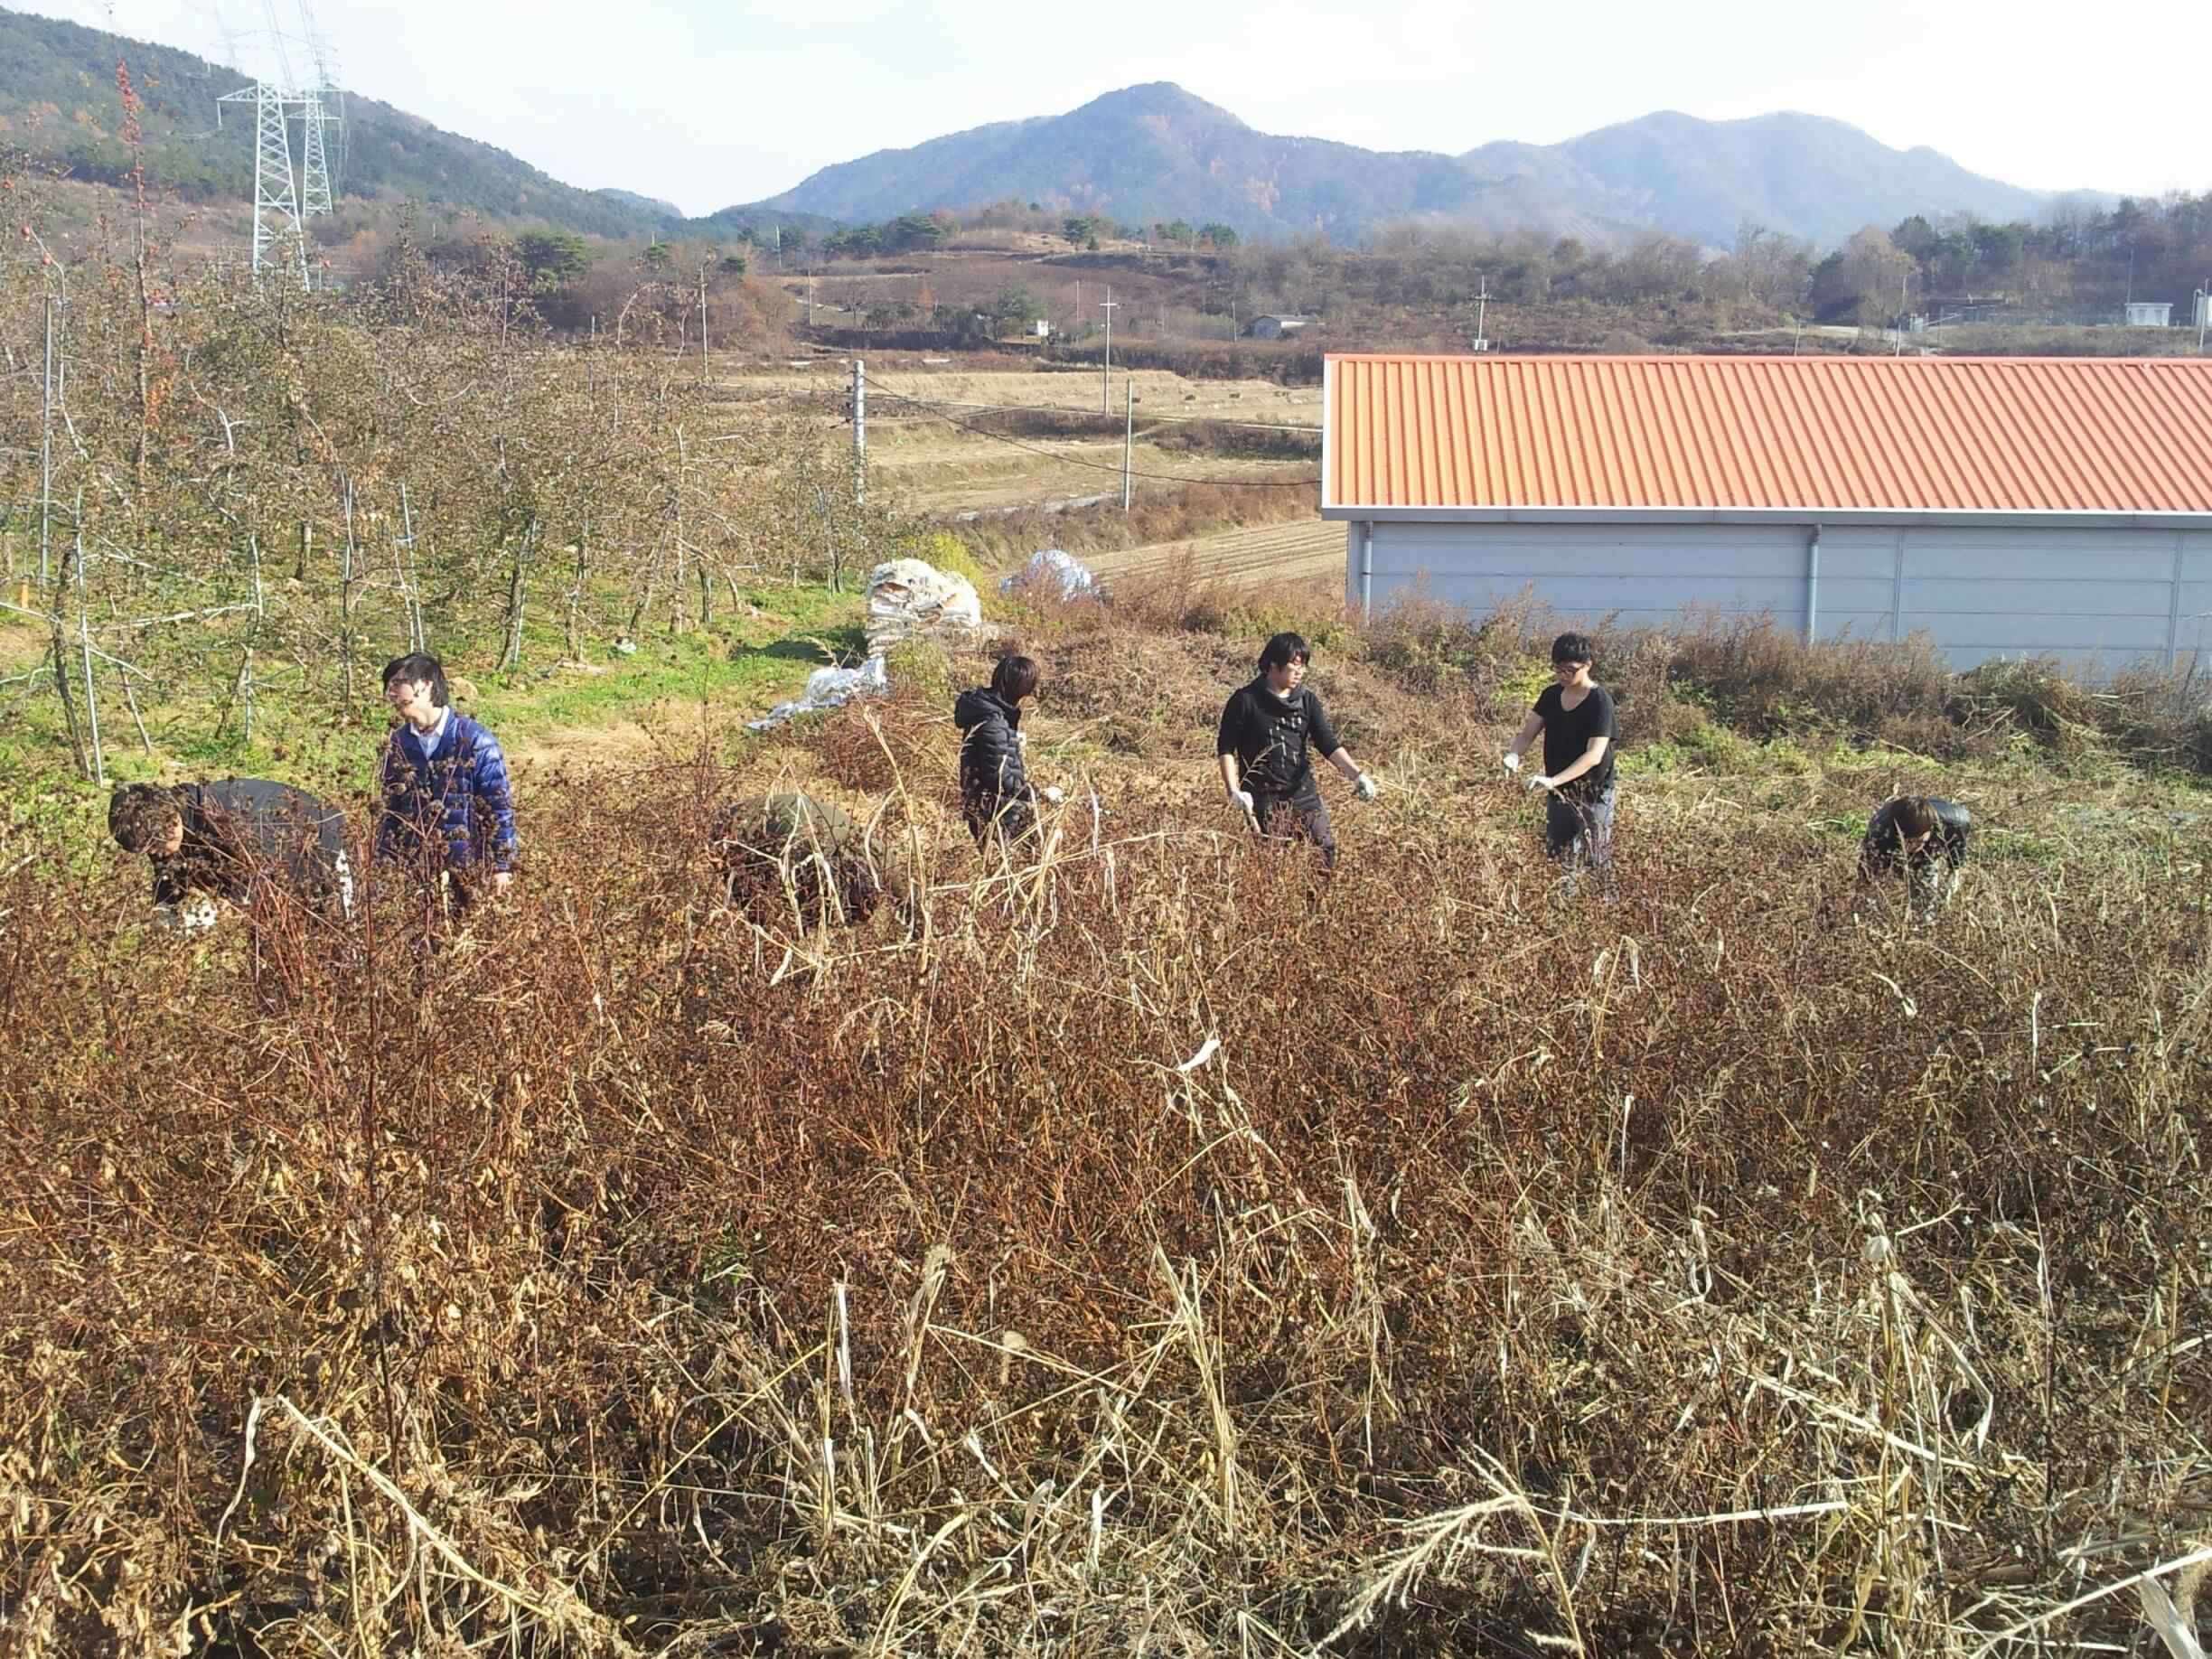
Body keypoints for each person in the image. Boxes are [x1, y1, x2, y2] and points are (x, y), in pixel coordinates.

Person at [108, 777, 353, 933]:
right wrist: (163, 910)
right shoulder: (158, 823)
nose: (158, 853)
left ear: (172, 816)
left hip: (321, 846)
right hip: (269, 869)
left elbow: (262, 889)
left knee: (337, 935)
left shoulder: (231, 819)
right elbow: (170, 877)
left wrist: (217, 912)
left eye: (158, 844)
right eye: (149, 850)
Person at [1216, 632, 1378, 868]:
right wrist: (1233, 791)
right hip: (1264, 799)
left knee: (1325, 852)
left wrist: (1357, 776)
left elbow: (1327, 743)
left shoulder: (1307, 701)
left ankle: (1321, 894)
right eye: (1295, 665)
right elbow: (1226, 748)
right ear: (1274, 665)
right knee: (1272, 865)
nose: (1300, 672)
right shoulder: (1245, 701)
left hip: (1304, 795)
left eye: (1303, 666)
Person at [375, 652, 517, 912]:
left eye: (397, 683)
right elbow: (390, 811)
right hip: (415, 871)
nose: (390, 694)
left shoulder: (474, 740)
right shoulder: (397, 743)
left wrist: (501, 865)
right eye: (388, 686)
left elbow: (498, 807)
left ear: (426, 684)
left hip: (469, 870)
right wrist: (384, 862)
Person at [1504, 632, 1618, 881]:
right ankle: (1565, 903)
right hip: (1558, 793)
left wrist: (1553, 780)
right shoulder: (1551, 696)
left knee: (1597, 860)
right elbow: (1527, 735)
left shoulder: (1600, 701)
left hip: (1594, 793)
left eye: (1570, 670)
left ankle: (1603, 903)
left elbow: (1594, 755)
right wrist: (1513, 754)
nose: (1563, 675)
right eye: (1558, 669)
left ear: (1588, 665)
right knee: (1559, 860)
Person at [711, 792, 901, 928]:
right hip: (738, 824)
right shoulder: (803, 856)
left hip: (800, 819)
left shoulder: (882, 859)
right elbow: (774, 908)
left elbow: (908, 902)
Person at [954, 654, 1062, 848]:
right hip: (996, 810)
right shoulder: (993, 721)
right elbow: (1000, 778)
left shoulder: (990, 712)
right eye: (1029, 685)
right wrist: (1038, 793)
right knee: (1017, 860)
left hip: (990, 807)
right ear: (1017, 686)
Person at [1860, 794, 1971, 921]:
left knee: (1926, 899)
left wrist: (1954, 871)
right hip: (1890, 844)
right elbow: (1867, 872)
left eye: (1917, 841)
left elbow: (1957, 847)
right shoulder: (1880, 832)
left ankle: (1923, 924)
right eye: (1907, 841)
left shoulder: (1954, 823)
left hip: (1928, 849)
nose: (1911, 847)